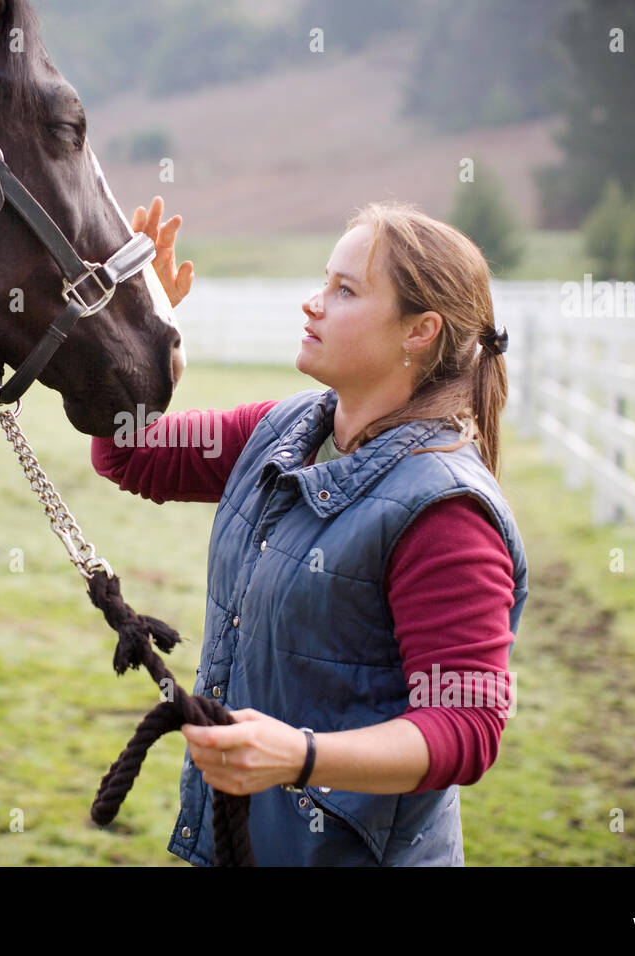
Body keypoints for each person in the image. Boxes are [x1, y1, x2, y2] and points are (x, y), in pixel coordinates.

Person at [91, 197, 529, 866]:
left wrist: (300, 756)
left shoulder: (445, 512)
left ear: (420, 331)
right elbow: (129, 449)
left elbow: (466, 727)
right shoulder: (281, 430)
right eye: (325, 281)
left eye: (345, 290)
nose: (313, 303)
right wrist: (136, 318)